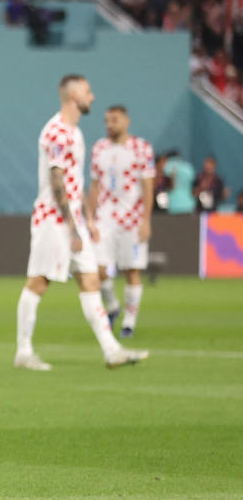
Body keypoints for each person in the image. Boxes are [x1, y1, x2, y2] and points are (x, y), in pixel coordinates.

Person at [14, 75, 148, 372]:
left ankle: (111, 350)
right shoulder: (57, 132)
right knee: (39, 281)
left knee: (90, 280)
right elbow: (57, 179)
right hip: (54, 220)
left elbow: (76, 183)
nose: (93, 96)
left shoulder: (75, 133)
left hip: (73, 221)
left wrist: (87, 219)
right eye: (88, 91)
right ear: (74, 95)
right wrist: (73, 228)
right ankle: (23, 351)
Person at [88, 105, 154, 338]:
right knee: (98, 267)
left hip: (132, 220)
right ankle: (113, 306)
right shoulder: (99, 148)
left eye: (114, 120)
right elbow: (95, 186)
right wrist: (89, 217)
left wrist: (146, 220)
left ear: (126, 121)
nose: (109, 125)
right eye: (107, 120)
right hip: (105, 218)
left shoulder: (141, 148)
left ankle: (129, 321)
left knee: (131, 271)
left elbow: (148, 186)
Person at [162, 149, 195, 214]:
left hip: (174, 206)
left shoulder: (167, 166)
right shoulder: (188, 167)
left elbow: (170, 186)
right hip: (189, 205)